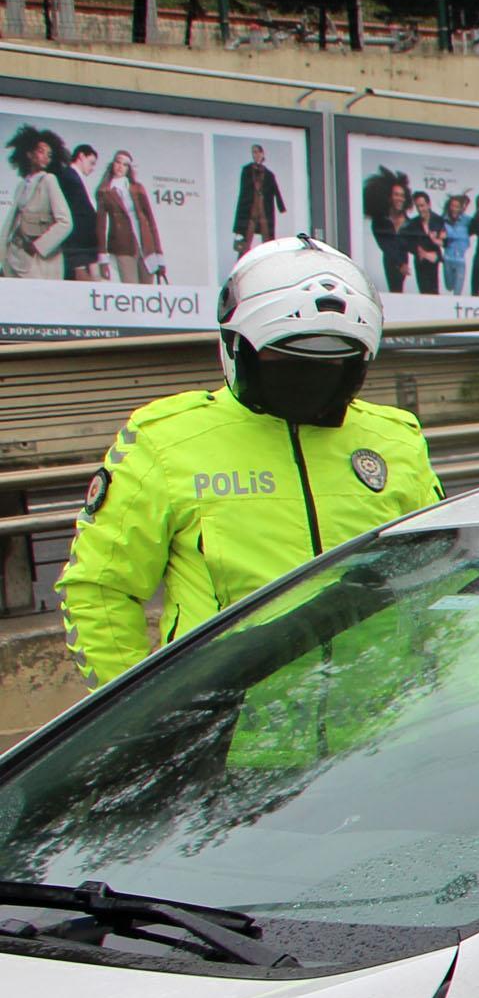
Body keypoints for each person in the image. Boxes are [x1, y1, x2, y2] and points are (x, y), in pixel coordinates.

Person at [59, 237, 441, 690]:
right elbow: (99, 589)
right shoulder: (167, 439)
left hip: (382, 721)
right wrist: (142, 715)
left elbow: (443, 580)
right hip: (231, 725)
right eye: (285, 356)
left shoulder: (394, 439)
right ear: (237, 347)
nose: (311, 376)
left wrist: (466, 710)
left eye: (335, 360)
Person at [7, 124, 75, 278]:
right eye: (41, 151)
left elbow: (66, 223)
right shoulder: (22, 185)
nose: (46, 157)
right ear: (29, 154)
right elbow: (12, 222)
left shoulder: (49, 180)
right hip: (15, 255)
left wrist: (37, 247)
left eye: (49, 154)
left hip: (39, 260)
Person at [95, 150, 164, 284]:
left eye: (125, 164)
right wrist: (103, 258)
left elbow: (150, 221)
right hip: (123, 246)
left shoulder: (137, 188)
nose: (120, 167)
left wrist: (159, 253)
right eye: (118, 162)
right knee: (130, 287)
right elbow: (101, 226)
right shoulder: (104, 191)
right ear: (113, 164)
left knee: (148, 290)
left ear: (128, 168)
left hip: (146, 245)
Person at [54, 137, 101, 280]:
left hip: (83, 248)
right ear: (81, 156)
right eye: (91, 163)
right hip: (78, 248)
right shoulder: (69, 177)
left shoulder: (74, 177)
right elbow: (76, 215)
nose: (92, 168)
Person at [233, 142, 288, 250]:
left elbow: (276, 191)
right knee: (245, 241)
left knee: (268, 242)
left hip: (264, 211)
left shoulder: (269, 174)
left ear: (262, 154)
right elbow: (243, 192)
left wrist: (281, 207)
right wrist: (241, 213)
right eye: (254, 152)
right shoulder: (246, 170)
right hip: (250, 210)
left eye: (258, 152)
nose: (256, 154)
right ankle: (242, 259)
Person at [406, 190, 445, 296]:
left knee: (434, 292)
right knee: (424, 292)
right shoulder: (413, 223)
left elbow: (446, 242)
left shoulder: (439, 220)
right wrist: (418, 251)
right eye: (417, 206)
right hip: (420, 262)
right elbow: (406, 242)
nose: (420, 209)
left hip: (434, 260)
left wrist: (437, 249)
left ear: (429, 204)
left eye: (422, 205)